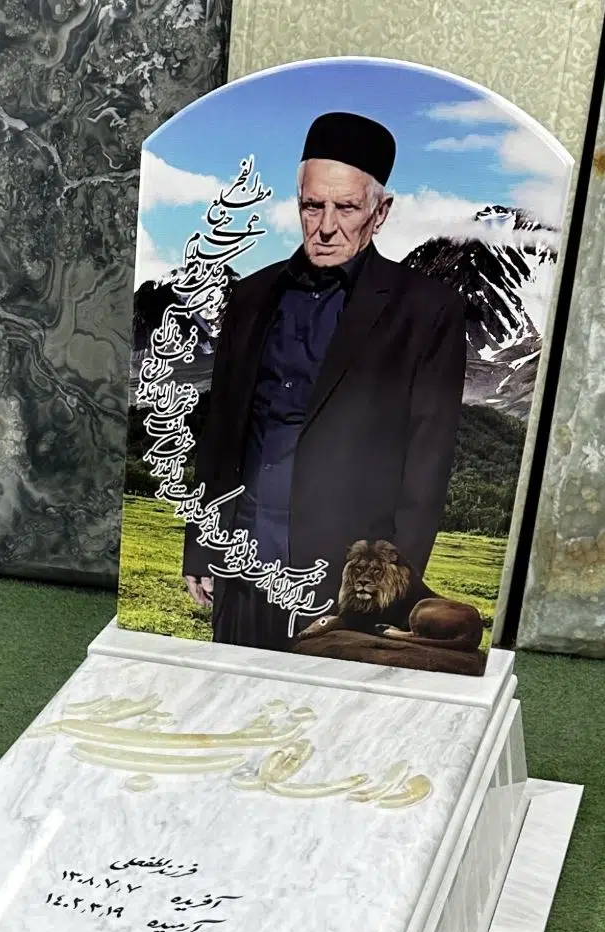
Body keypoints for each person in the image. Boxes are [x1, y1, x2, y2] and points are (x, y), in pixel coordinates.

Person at [182, 111, 468, 653]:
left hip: (343, 584)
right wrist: (201, 543)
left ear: (380, 212)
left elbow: (427, 465)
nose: (326, 225)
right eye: (313, 206)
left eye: (347, 208)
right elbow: (220, 434)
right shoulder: (251, 297)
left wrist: (393, 587)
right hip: (241, 567)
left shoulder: (427, 310)